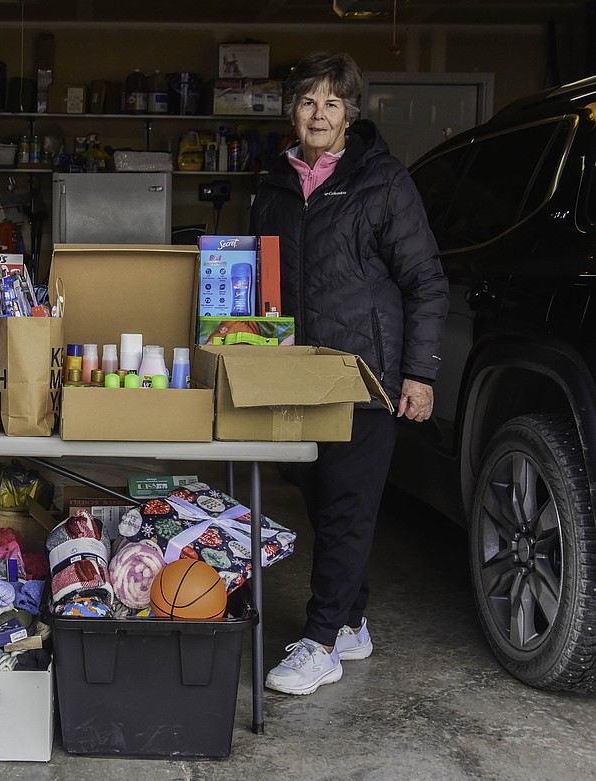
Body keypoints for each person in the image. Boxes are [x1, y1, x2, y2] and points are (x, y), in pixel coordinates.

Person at [250, 52, 448, 695]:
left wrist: (418, 374)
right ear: (292, 110)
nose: (319, 114)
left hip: (365, 378)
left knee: (347, 510)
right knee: (318, 500)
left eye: (332, 103)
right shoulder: (272, 184)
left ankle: (321, 640)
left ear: (350, 115)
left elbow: (425, 280)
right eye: (308, 101)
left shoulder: (383, 180)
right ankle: (353, 621)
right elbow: (254, 281)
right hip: (294, 378)